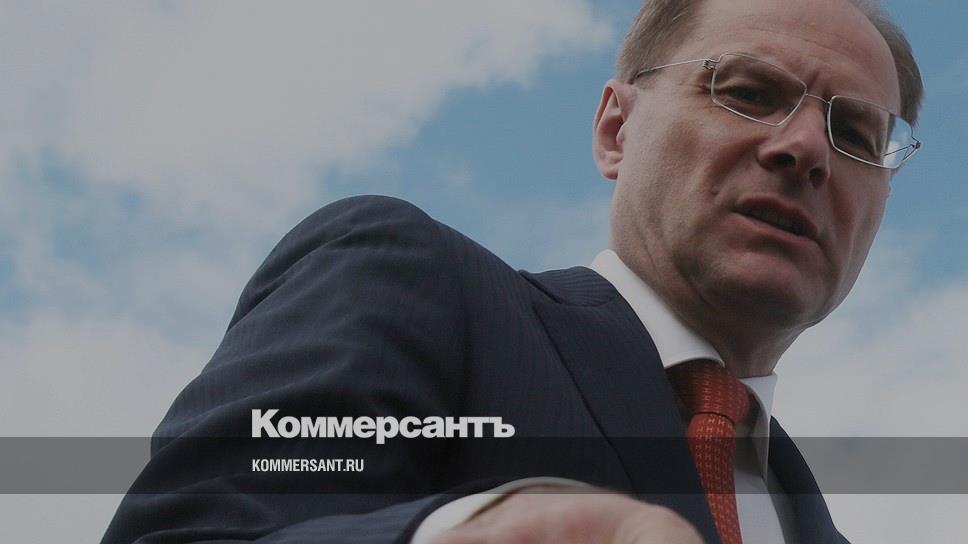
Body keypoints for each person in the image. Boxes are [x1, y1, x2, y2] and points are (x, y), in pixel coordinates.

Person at [102, 0, 923, 542]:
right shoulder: (408, 280)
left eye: (855, 133)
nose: (806, 149)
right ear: (615, 130)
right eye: (748, 91)